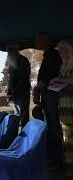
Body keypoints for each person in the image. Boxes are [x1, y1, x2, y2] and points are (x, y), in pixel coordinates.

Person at [34, 32, 63, 170]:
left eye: (39, 40)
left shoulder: (53, 56)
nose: (36, 43)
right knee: (50, 127)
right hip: (47, 96)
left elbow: (49, 77)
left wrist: (37, 88)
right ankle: (54, 158)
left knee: (54, 128)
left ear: (46, 41)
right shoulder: (48, 56)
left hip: (52, 96)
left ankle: (57, 161)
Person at [50, 39, 73, 170]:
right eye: (59, 52)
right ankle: (69, 169)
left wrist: (59, 79)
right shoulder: (63, 66)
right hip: (64, 105)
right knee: (66, 137)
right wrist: (55, 83)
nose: (60, 54)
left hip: (71, 104)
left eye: (62, 51)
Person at [6, 45, 31, 127]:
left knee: (23, 115)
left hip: (22, 92)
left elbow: (23, 78)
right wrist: (9, 92)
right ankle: (18, 136)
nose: (8, 53)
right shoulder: (12, 61)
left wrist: (13, 92)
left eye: (10, 51)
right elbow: (11, 79)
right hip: (15, 93)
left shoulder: (23, 60)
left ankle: (24, 135)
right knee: (16, 115)